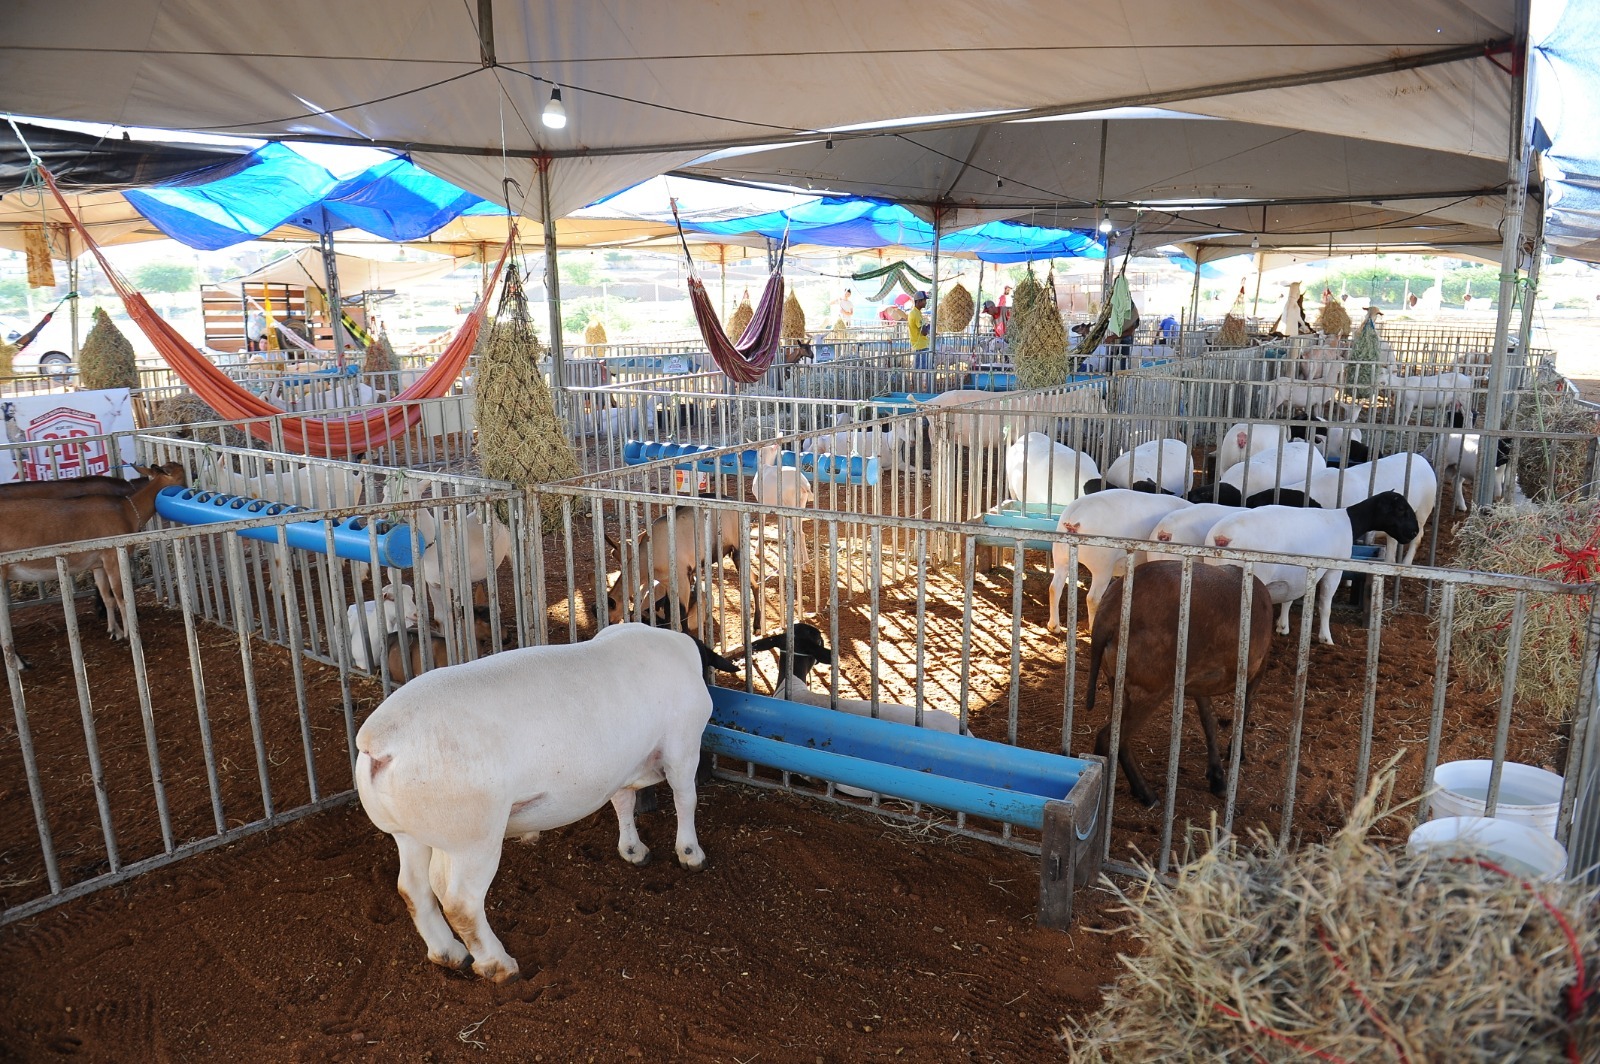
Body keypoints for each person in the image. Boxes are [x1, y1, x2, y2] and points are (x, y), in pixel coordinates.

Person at [907, 290, 932, 369]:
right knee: (920, 369)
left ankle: (916, 381)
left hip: (920, 345)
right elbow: (924, 332)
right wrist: (930, 326)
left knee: (919, 368)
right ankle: (916, 381)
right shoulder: (915, 314)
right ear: (918, 301)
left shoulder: (916, 312)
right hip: (920, 346)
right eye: (924, 300)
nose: (926, 302)